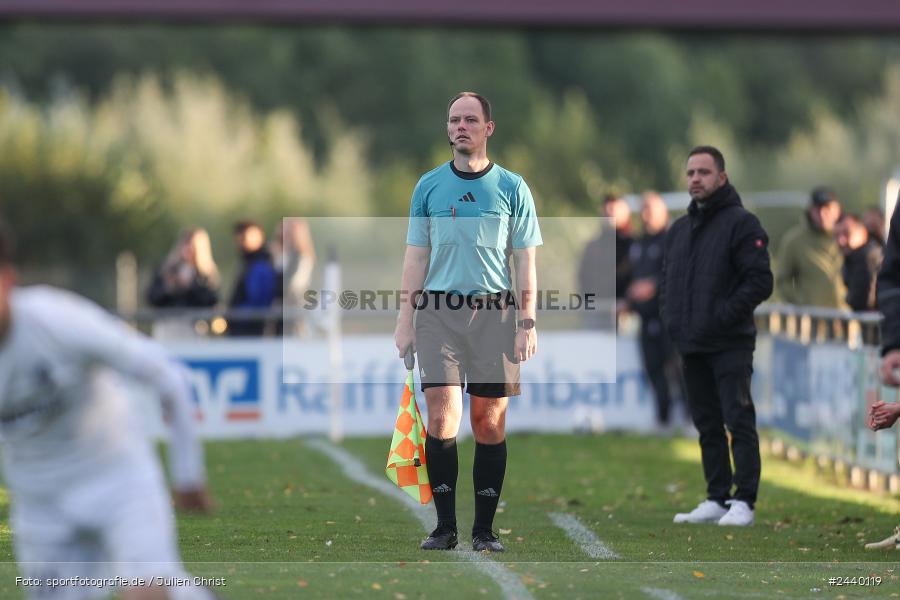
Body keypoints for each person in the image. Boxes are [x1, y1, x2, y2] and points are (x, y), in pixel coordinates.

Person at [0, 221, 215, 600]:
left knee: (149, 594)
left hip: (117, 481)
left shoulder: (56, 320)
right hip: (41, 506)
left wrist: (188, 477)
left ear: (9, 279)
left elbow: (170, 378)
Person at [393, 91, 542, 552]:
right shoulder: (428, 186)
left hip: (496, 314)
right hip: (437, 312)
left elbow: (525, 261)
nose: (461, 126)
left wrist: (527, 321)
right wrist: (405, 320)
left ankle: (484, 531)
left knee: (488, 422)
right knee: (442, 418)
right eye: (454, 120)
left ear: (488, 128)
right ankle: (444, 528)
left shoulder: (513, 187)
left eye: (470, 119)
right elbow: (416, 256)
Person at [661, 146, 773, 527]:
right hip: (691, 344)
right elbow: (668, 285)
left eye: (704, 172)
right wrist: (673, 320)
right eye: (690, 172)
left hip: (730, 344)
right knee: (706, 423)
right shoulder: (678, 230)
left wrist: (721, 317)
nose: (695, 179)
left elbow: (760, 281)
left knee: (737, 420)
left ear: (721, 178)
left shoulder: (743, 224)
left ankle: (745, 501)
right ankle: (716, 497)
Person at [627, 192, 684, 430]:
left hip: (671, 318)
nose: (646, 215)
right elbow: (632, 278)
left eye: (651, 209)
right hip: (645, 318)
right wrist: (628, 299)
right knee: (653, 370)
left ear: (663, 212)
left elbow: (680, 275)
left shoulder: (674, 239)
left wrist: (654, 285)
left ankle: (693, 420)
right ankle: (663, 420)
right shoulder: (639, 243)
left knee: (680, 371)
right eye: (643, 210)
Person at [774, 187, 846, 308]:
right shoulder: (794, 240)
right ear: (810, 211)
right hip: (813, 320)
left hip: (847, 320)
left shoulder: (850, 237)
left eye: (828, 208)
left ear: (837, 210)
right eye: (818, 209)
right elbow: (782, 281)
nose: (823, 214)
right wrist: (802, 302)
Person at [147, 228, 219, 339]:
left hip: (194, 329)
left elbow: (211, 301)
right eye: (185, 244)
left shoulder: (205, 275)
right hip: (167, 327)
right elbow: (152, 297)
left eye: (192, 245)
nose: (188, 249)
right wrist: (168, 289)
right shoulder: (166, 269)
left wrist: (190, 287)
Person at [228, 220, 277, 336]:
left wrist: (235, 315)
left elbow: (258, 302)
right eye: (240, 236)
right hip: (241, 328)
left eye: (245, 236)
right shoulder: (247, 263)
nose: (242, 241)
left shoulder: (261, 266)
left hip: (250, 330)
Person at [271, 217, 316, 336]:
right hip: (283, 307)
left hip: (294, 306)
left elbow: (290, 284)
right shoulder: (283, 255)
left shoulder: (301, 257)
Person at [834, 213, 883, 312]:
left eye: (846, 233)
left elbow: (861, 301)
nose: (841, 240)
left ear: (863, 232)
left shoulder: (866, 257)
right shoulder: (853, 257)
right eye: (836, 235)